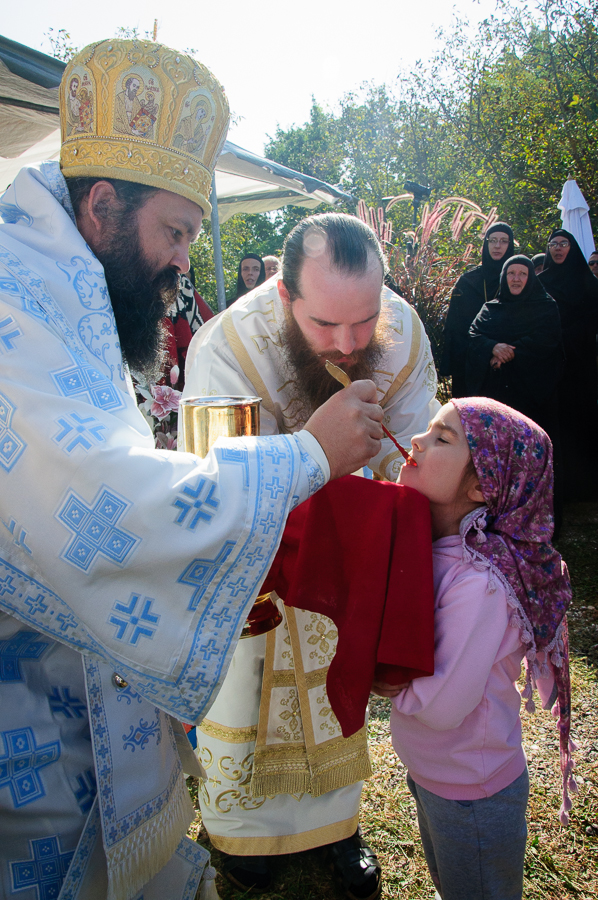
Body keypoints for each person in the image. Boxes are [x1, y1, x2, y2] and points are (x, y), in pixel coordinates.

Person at [0, 40, 385, 900]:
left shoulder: (59, 281)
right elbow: (98, 504)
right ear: (102, 203)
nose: (183, 260)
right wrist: (309, 454)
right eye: (174, 233)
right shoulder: (12, 298)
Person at [183, 211, 439, 898]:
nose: (349, 344)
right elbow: (217, 480)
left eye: (365, 319)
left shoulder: (401, 332)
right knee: (247, 688)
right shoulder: (230, 345)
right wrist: (317, 455)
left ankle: (336, 826)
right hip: (260, 566)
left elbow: (415, 455)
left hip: (350, 559)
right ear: (284, 294)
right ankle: (238, 829)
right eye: (325, 324)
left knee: (336, 682)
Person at [374, 397, 573, 900]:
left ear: (483, 485)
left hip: (471, 791)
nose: (417, 440)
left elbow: (442, 707)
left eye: (442, 438)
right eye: (428, 429)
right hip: (434, 772)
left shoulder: (479, 584)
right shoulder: (432, 548)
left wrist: (387, 683)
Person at [466, 255, 562, 435]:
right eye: (511, 273)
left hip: (531, 392)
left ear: (531, 277)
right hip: (495, 391)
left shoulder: (546, 306)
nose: (516, 278)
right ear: (504, 276)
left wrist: (509, 354)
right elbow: (474, 334)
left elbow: (546, 339)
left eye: (522, 274)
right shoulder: (490, 308)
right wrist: (493, 347)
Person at [539, 228, 598, 500]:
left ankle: (584, 485)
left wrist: (572, 336)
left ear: (572, 247)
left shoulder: (588, 282)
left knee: (580, 418)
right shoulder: (541, 283)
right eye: (554, 244)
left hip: (580, 363)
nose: (558, 248)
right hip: (551, 364)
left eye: (564, 243)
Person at [440, 223, 515, 397]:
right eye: (493, 240)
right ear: (486, 244)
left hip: (507, 367)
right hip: (470, 365)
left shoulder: (518, 281)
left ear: (510, 245)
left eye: (503, 241)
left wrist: (502, 353)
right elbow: (457, 328)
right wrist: (489, 348)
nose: (497, 246)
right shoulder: (468, 281)